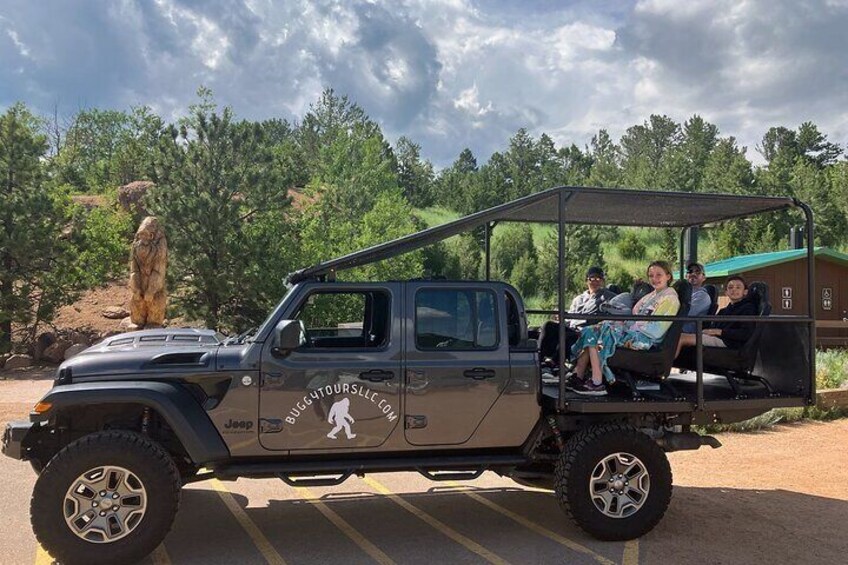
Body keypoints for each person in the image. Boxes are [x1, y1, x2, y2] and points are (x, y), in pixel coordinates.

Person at [569, 261, 680, 396]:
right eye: (651, 275)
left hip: (645, 339)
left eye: (659, 275)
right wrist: (623, 325)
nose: (654, 279)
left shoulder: (670, 299)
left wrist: (627, 328)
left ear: (668, 276)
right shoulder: (652, 295)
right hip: (633, 332)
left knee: (602, 331)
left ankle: (597, 383)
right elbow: (635, 314)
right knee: (592, 329)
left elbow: (655, 330)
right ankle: (578, 376)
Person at [538, 266, 617, 365]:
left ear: (602, 281)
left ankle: (555, 363)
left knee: (567, 336)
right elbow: (569, 319)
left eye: (598, 279)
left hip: (587, 331)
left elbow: (620, 306)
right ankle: (538, 359)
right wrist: (562, 318)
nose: (595, 282)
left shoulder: (607, 296)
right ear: (586, 281)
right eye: (592, 279)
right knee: (547, 326)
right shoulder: (578, 299)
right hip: (572, 327)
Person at [675, 275, 755, 356]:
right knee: (678, 335)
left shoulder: (748, 308)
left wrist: (720, 332)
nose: (734, 289)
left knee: (681, 338)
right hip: (719, 338)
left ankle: (665, 366)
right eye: (730, 287)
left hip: (730, 342)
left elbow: (746, 333)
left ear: (745, 292)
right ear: (726, 292)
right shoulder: (723, 311)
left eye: (738, 287)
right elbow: (714, 328)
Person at [682, 262, 711, 334]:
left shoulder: (702, 296)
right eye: (690, 272)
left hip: (686, 331)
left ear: (704, 277)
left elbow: (686, 314)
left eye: (697, 272)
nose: (693, 274)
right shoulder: (681, 293)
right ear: (686, 276)